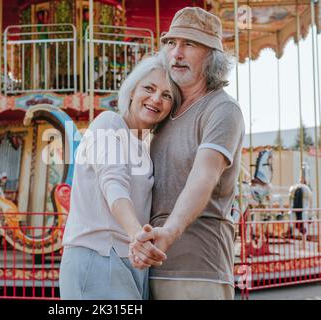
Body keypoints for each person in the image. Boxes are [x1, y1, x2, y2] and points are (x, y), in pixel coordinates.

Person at [129, 7, 245, 300]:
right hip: (151, 267)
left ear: (212, 57)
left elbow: (203, 176)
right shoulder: (166, 113)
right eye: (171, 43)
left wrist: (170, 231)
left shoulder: (221, 109)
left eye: (189, 44)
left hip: (198, 269)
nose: (176, 53)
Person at [59, 53, 181, 300]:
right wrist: (137, 234)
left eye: (166, 95)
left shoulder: (144, 149)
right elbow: (113, 183)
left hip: (132, 259)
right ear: (132, 91)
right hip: (98, 256)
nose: (156, 99)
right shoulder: (109, 123)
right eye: (149, 88)